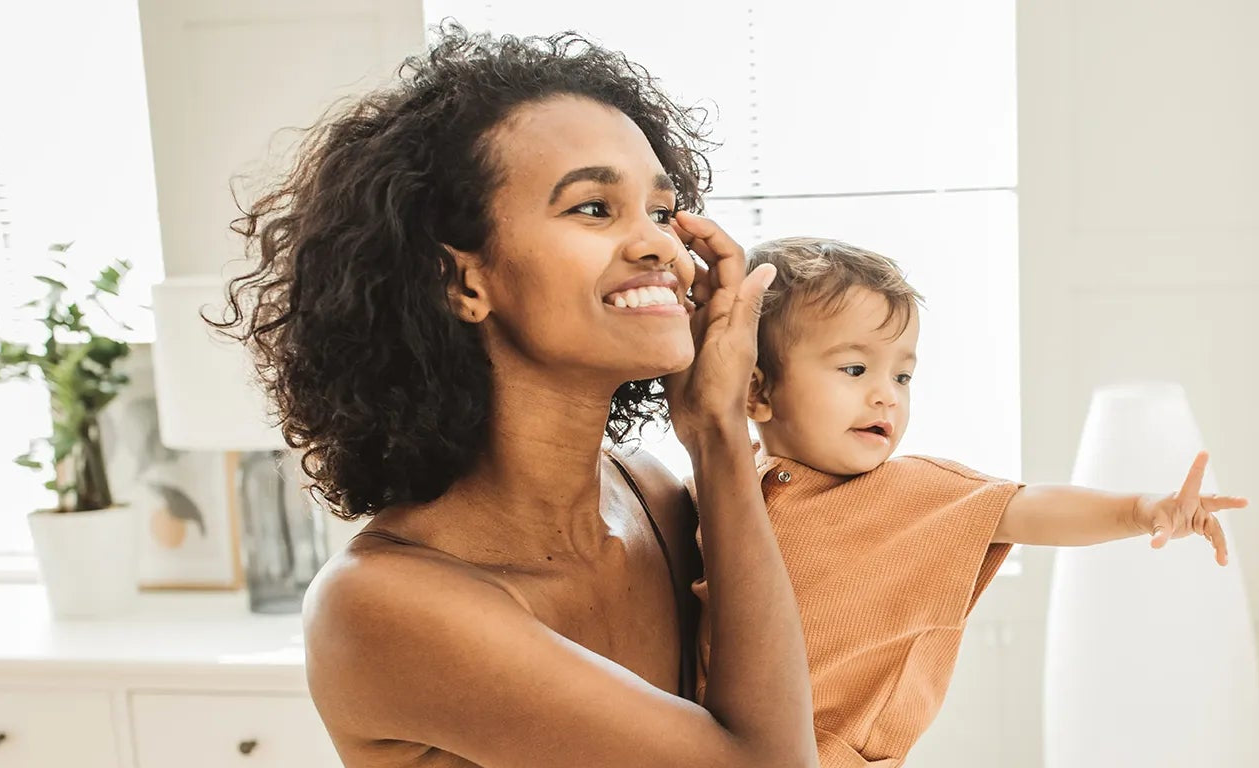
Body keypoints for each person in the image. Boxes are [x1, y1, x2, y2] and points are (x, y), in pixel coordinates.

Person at [221, 27, 819, 767]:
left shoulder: (653, 496)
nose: (661, 246)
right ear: (462, 282)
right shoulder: (382, 606)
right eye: (594, 209)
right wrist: (719, 431)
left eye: (662, 212)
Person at [691, 237, 1248, 767]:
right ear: (758, 391)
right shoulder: (725, 486)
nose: (887, 393)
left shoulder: (915, 491)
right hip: (712, 740)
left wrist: (1142, 509)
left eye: (903, 375)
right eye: (855, 369)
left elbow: (1027, 507)